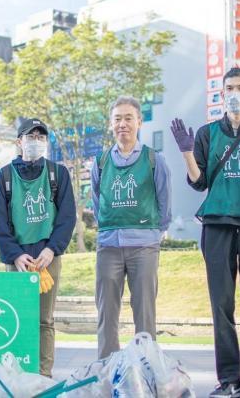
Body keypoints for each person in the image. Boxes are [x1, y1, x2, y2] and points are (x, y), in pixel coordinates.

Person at [170, 67, 240, 398]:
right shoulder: (206, 133)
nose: (234, 92)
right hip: (217, 225)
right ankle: (228, 378)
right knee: (221, 304)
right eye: (229, 87)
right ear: (221, 93)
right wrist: (187, 152)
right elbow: (199, 181)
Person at [0, 118, 76, 377]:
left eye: (41, 137)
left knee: (44, 320)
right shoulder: (3, 176)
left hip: (48, 257)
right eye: (31, 136)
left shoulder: (58, 173)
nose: (36, 141)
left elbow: (67, 217)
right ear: (19, 142)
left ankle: (43, 375)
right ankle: (17, 374)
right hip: (17, 258)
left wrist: (52, 249)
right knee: (16, 318)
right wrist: (15, 255)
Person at [91, 96, 172, 359]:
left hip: (144, 247)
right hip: (109, 247)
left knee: (145, 316)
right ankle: (106, 371)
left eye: (128, 118)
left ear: (139, 121)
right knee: (106, 316)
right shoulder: (101, 162)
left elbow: (164, 201)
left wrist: (154, 233)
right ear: (110, 124)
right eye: (117, 119)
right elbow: (97, 201)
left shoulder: (153, 159)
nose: (122, 124)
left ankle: (146, 370)